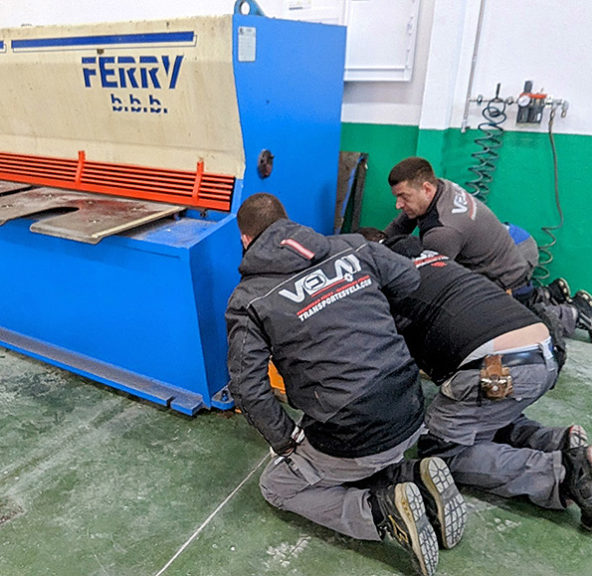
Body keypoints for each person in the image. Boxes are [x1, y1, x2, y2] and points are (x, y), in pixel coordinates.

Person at [225, 193, 466, 576]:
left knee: (277, 484)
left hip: (355, 428)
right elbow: (409, 277)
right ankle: (412, 476)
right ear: (290, 223)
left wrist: (286, 440)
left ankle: (381, 514)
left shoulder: (249, 300)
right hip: (410, 404)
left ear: (244, 240)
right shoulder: (353, 246)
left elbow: (247, 386)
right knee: (339, 441)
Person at [358, 227, 592, 531]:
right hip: (543, 352)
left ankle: (563, 473)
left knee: (442, 452)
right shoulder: (433, 259)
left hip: (499, 367)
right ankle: (555, 441)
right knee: (478, 412)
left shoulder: (385, 285)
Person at [383, 157, 592, 341]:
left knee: (507, 327)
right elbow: (399, 227)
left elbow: (431, 284)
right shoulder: (441, 188)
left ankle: (575, 313)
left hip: (505, 280)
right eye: (396, 197)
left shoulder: (444, 231)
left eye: (403, 197)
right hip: (507, 257)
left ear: (427, 188)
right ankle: (545, 295)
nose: (398, 205)